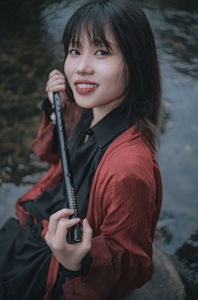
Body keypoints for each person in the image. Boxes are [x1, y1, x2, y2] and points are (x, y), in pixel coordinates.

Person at [0, 0, 162, 299]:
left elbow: (133, 263)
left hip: (65, 269)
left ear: (135, 61)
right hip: (47, 225)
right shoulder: (91, 110)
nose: (81, 67)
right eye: (75, 51)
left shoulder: (128, 167)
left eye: (102, 52)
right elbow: (53, 157)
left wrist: (77, 262)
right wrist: (56, 107)